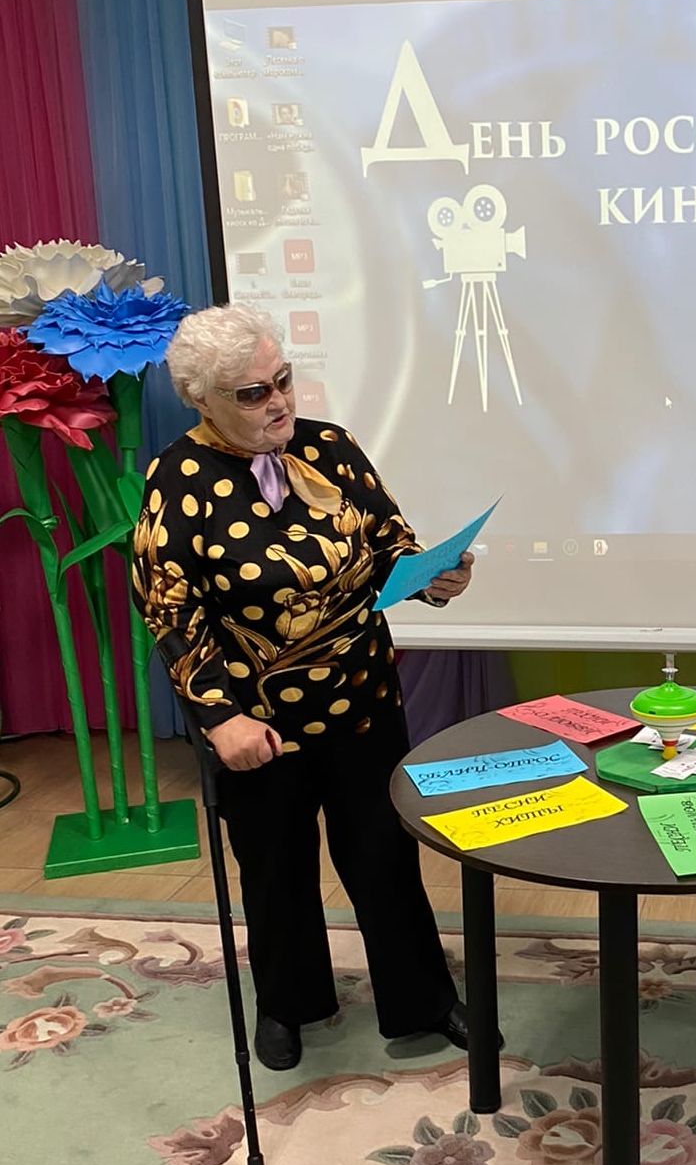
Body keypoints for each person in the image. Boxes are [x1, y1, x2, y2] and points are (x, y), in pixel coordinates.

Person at [133, 303, 482, 1071]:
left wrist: (434, 577)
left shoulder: (332, 448)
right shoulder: (177, 479)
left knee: (385, 857)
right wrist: (218, 718)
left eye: (283, 380)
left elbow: (390, 544)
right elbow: (170, 609)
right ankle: (288, 1003)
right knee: (276, 867)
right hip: (258, 725)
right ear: (200, 398)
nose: (279, 402)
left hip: (362, 703)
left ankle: (423, 999)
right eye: (253, 393)